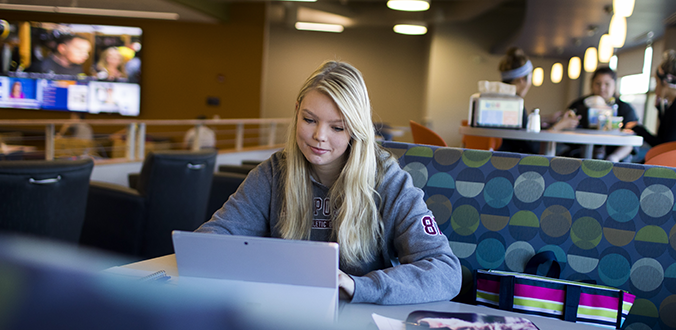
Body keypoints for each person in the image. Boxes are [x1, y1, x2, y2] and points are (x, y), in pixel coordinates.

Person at [196, 60, 461, 304]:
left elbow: (445, 271)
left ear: (356, 129)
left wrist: (358, 286)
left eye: (337, 127)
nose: (318, 136)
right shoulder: (273, 174)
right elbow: (208, 243)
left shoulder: (387, 180)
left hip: (359, 325)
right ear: (297, 111)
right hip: (286, 315)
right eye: (309, 120)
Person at [497, 47, 579, 154]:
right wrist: (560, 125)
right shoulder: (513, 105)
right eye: (531, 76)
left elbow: (520, 128)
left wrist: (547, 119)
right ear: (522, 79)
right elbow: (533, 146)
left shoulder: (502, 99)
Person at [629, 50, 676, 148]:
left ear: (665, 82)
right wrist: (661, 110)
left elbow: (663, 146)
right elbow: (667, 136)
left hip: (671, 161)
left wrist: (637, 128)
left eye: (656, 81)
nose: (655, 87)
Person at [565, 67, 639, 161]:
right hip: (580, 153)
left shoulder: (625, 109)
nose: (602, 88)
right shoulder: (579, 105)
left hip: (614, 155)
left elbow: (631, 140)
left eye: (607, 84)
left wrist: (614, 157)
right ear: (591, 85)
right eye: (598, 83)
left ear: (614, 86)